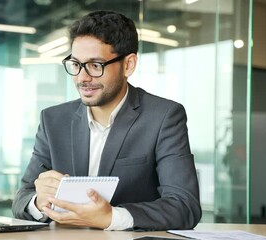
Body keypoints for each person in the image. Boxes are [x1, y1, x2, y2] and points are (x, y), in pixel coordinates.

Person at [12, 10, 201, 231]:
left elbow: (185, 206)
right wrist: (39, 202)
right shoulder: (53, 120)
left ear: (128, 65)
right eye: (76, 64)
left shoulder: (164, 117)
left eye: (95, 65)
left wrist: (112, 218)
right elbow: (22, 200)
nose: (82, 77)